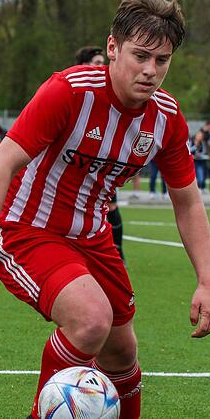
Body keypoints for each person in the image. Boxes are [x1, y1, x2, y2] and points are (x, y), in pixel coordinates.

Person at [0, 0, 210, 419]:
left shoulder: (166, 118)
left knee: (122, 353)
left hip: (94, 237)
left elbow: (187, 201)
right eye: (140, 56)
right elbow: (1, 164)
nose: (151, 71)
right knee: (91, 319)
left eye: (162, 60)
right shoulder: (69, 91)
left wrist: (208, 281)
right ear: (113, 48)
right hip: (27, 228)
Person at [75, 45, 125, 261]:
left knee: (110, 207)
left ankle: (118, 253)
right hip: (74, 167)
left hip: (101, 166)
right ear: (83, 65)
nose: (103, 67)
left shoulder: (110, 94)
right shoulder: (72, 92)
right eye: (97, 63)